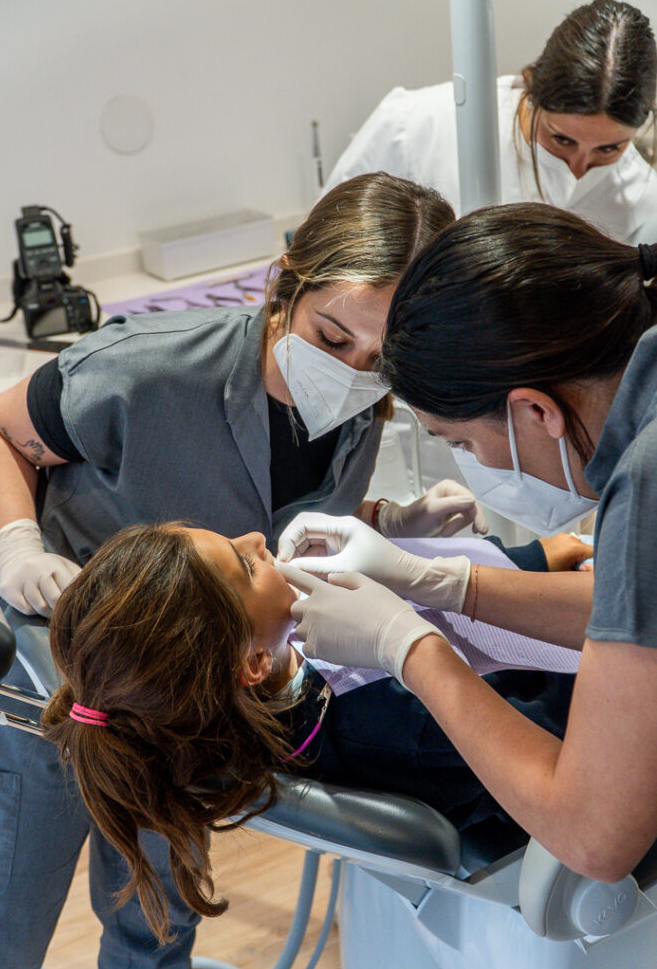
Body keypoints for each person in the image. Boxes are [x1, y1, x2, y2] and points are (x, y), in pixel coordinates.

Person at [0, 173, 484, 969]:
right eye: (332, 335)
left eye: (381, 355)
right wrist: (18, 543)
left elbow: (276, 518)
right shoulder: (146, 372)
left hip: (184, 704)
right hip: (48, 666)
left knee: (158, 922)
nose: (354, 369)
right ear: (287, 280)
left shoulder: (357, 408)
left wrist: (388, 518)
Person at [278, 203, 657, 884]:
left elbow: (594, 836)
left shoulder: (647, 478)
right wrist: (444, 583)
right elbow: (640, 604)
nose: (470, 467)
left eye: (461, 444)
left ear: (533, 410)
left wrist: (411, 649)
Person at [41, 521, 582, 943]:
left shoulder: (272, 697)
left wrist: (525, 564)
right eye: (247, 565)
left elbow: (441, 603)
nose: (257, 538)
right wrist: (595, 605)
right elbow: (568, 742)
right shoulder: (393, 729)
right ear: (252, 664)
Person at [325, 0, 657, 242]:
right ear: (530, 83)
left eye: (609, 149)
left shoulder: (640, 199)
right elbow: (325, 241)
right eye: (562, 140)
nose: (578, 165)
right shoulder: (414, 125)